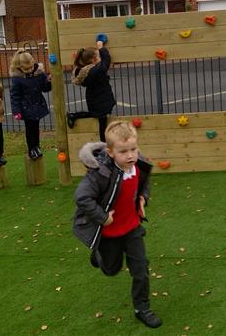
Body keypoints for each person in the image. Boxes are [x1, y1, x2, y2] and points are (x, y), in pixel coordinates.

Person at [72, 121, 162, 329]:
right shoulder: (100, 173)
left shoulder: (138, 164)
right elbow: (82, 198)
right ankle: (99, 255)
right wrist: (103, 218)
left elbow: (144, 183)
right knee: (111, 270)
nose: (130, 155)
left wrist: (142, 199)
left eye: (133, 149)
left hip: (132, 229)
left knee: (141, 269)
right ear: (110, 152)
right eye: (123, 152)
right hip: (109, 233)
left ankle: (142, 308)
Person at [68, 40, 116, 142]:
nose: (100, 58)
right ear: (94, 60)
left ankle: (74, 115)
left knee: (95, 114)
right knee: (102, 121)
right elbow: (106, 60)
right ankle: (103, 143)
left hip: (95, 98)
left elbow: (102, 62)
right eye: (98, 56)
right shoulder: (96, 70)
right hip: (101, 99)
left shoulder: (84, 71)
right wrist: (101, 48)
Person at [9, 49, 51, 159]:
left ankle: (37, 146)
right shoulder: (17, 79)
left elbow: (45, 88)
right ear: (19, 67)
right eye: (26, 69)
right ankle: (31, 148)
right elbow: (15, 96)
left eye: (31, 67)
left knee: (36, 127)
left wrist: (49, 81)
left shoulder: (39, 74)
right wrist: (16, 111)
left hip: (37, 105)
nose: (29, 70)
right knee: (30, 128)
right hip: (26, 107)